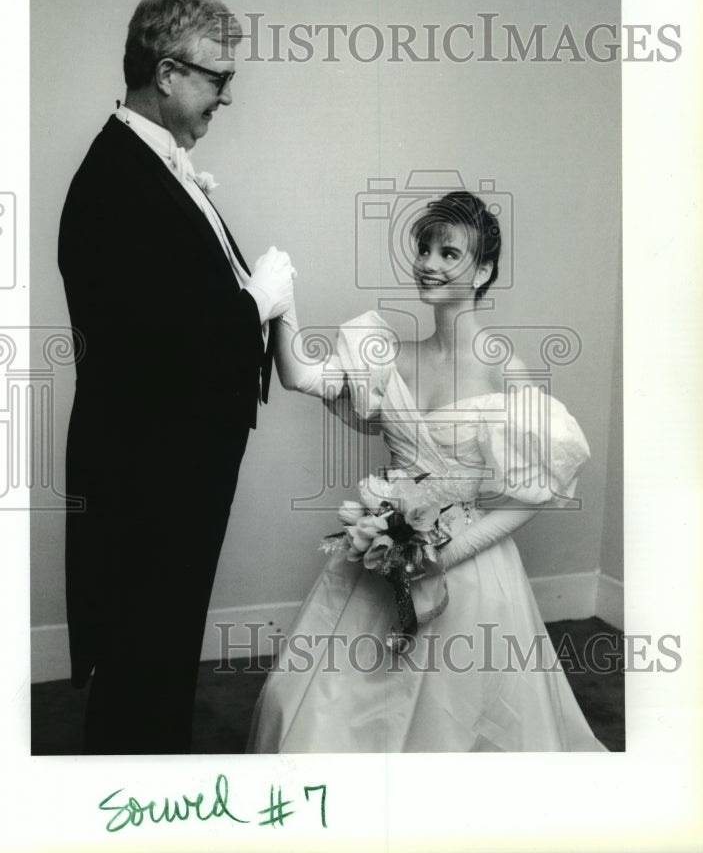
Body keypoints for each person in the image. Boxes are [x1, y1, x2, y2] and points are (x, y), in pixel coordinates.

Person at [248, 190, 607, 752]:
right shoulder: (390, 355)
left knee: (459, 725)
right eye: (425, 248)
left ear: (483, 270)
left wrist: (442, 555)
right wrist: (281, 302)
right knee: (308, 707)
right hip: (381, 554)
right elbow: (299, 377)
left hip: (466, 567)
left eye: (449, 253)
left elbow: (533, 494)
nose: (429, 262)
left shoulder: (503, 367)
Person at [58, 0, 294, 754]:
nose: (228, 96)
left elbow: (174, 305)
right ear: (166, 73)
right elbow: (148, 345)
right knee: (143, 655)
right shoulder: (116, 180)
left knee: (159, 652)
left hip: (175, 466)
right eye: (218, 78)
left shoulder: (149, 162)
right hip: (150, 475)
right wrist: (254, 303)